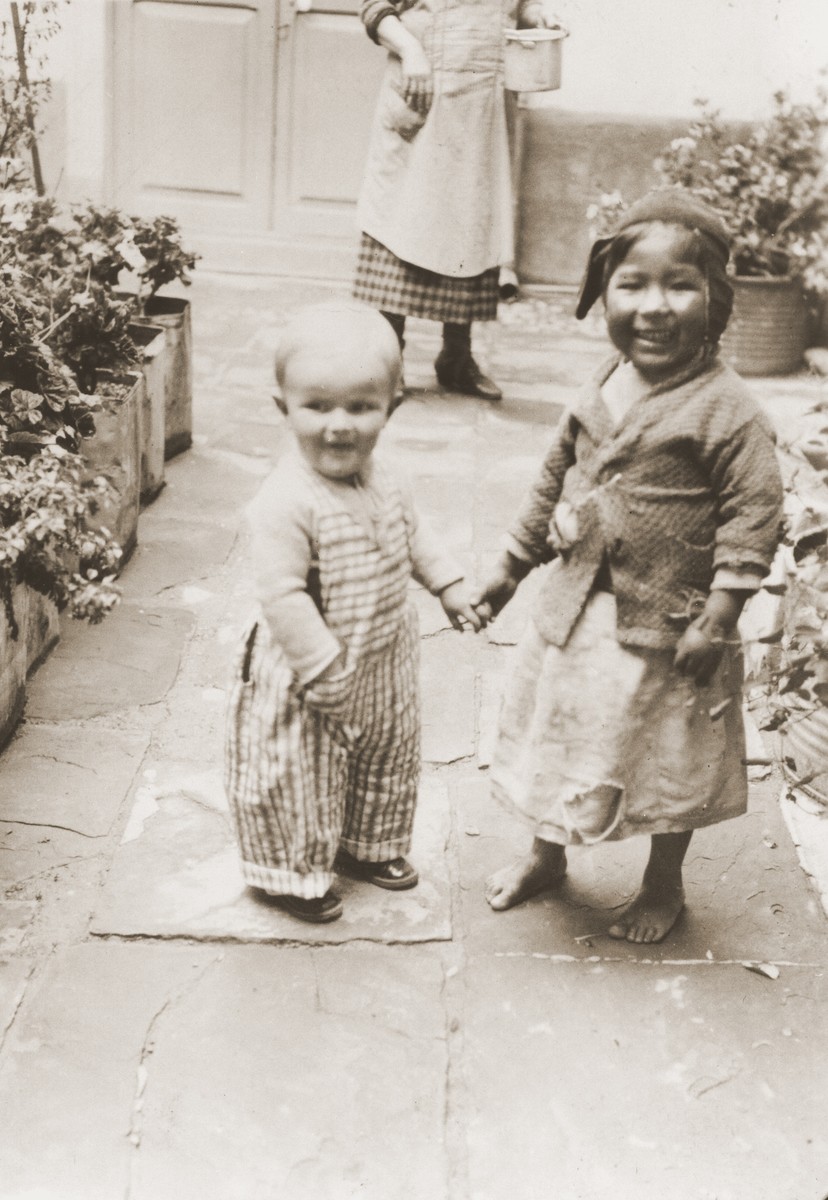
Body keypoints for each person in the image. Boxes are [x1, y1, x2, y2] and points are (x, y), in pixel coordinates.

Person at [472, 189, 784, 944]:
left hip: (672, 631)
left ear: (718, 302)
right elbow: (554, 479)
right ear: (599, 294)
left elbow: (755, 517)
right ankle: (549, 853)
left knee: (663, 755)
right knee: (563, 737)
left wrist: (719, 616)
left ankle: (663, 881)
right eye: (631, 285)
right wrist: (510, 570)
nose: (655, 306)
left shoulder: (728, 411)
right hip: (577, 615)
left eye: (681, 286)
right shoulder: (603, 382)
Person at [224, 301, 482, 923]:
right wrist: (322, 668)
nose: (339, 426)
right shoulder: (286, 502)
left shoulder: (388, 478)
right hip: (309, 673)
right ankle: (290, 871)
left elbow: (412, 532)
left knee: (386, 753)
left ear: (392, 407)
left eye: (361, 407)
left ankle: (369, 844)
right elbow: (282, 595)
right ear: (283, 407)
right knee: (299, 774)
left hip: (384, 654)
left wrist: (447, 584)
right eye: (317, 407)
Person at [353, 0, 560, 402]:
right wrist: (410, 50)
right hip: (421, 94)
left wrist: (539, 17)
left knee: (469, 225)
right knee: (402, 219)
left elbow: (521, 6)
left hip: (482, 107)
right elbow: (373, 8)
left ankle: (456, 358)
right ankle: (389, 360)